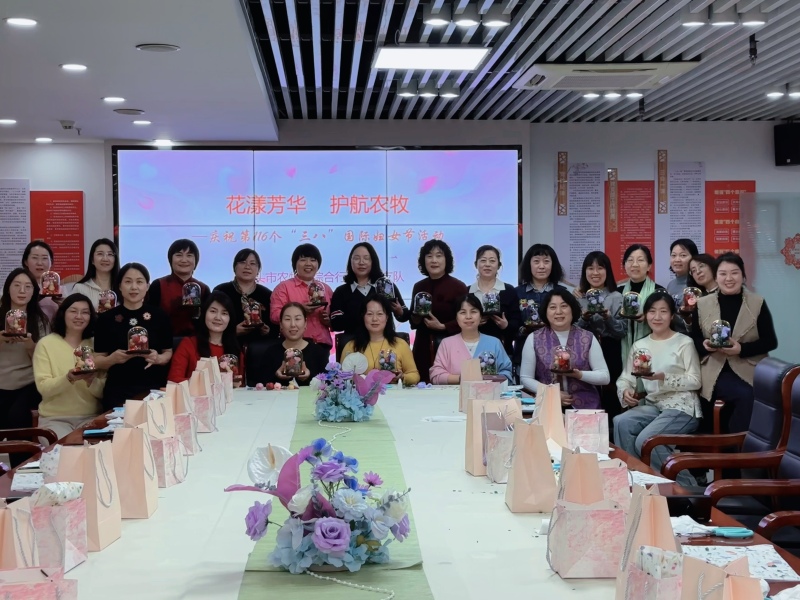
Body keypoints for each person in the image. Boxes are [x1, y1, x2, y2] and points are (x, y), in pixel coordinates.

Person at [615, 291, 702, 486]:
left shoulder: (684, 342)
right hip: (654, 405)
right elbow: (625, 378)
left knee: (647, 441)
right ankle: (637, 482)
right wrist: (626, 390)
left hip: (682, 405)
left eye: (663, 311)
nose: (657, 316)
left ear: (672, 316)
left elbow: (695, 380)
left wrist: (664, 377)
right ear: (645, 315)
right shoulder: (640, 345)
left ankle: (688, 489)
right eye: (652, 311)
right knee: (621, 422)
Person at [690, 253, 778, 433]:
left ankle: (747, 443)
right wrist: (704, 345)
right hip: (714, 368)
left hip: (748, 367)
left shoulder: (757, 303)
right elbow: (694, 339)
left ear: (743, 276)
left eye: (734, 273)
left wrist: (741, 349)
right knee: (746, 395)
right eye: (723, 273)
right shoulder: (702, 304)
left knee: (762, 393)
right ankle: (735, 443)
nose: (729, 278)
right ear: (716, 277)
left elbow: (770, 341)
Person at [94, 263, 173, 409]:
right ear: (120, 286)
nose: (134, 287)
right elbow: (97, 360)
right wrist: (112, 359)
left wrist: (158, 358)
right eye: (128, 281)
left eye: (139, 282)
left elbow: (168, 352)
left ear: (147, 286)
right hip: (117, 389)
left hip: (153, 388)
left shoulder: (160, 316)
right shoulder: (106, 319)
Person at [519, 289, 609, 408]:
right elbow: (525, 378)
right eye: (552, 307)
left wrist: (579, 375)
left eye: (564, 306)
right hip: (548, 404)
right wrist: (550, 392)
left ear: (572, 309)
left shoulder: (588, 337)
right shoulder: (534, 338)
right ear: (545, 311)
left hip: (586, 406)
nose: (558, 312)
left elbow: (604, 377)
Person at [32, 294, 105, 438]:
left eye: (85, 312)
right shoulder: (46, 344)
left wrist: (91, 380)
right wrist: (68, 378)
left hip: (91, 417)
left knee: (92, 448)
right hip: (54, 419)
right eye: (73, 311)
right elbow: (44, 388)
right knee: (66, 447)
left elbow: (104, 390)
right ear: (63, 313)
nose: (79, 316)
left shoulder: (97, 344)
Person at [575, 251, 627, 425]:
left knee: (610, 396)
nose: (595, 273)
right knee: (586, 392)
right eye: (590, 268)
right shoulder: (578, 298)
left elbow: (622, 331)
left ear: (607, 271)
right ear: (585, 272)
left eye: (600, 268)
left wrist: (608, 317)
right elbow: (572, 331)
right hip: (584, 352)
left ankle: (611, 434)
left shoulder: (616, 297)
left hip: (611, 350)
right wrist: (584, 318)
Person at [409, 240, 468, 384]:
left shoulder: (458, 287)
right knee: (422, 385)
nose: (434, 260)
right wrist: (416, 317)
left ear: (446, 260)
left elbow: (466, 319)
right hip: (423, 345)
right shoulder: (419, 286)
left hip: (450, 345)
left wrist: (443, 326)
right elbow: (413, 322)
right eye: (429, 256)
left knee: (449, 384)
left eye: (439, 256)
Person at [0, 269, 50, 435]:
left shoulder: (40, 320)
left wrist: (30, 345)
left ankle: (23, 452)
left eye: (28, 287)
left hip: (29, 383)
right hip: (2, 381)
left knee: (17, 416)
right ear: (8, 289)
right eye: (17, 285)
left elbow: (45, 361)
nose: (22, 291)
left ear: (33, 292)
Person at [330, 243, 409, 345]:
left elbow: (405, 316)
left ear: (373, 261)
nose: (361, 262)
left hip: (385, 344)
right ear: (350, 262)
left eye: (366, 258)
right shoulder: (341, 291)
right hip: (353, 345)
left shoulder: (386, 286)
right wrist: (366, 315)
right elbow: (336, 324)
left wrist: (399, 312)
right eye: (357, 258)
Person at [430, 295, 512, 384]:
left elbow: (506, 374)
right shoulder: (446, 343)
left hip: (489, 392)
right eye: (463, 312)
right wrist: (462, 378)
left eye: (473, 312)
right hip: (455, 392)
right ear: (456, 318)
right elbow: (436, 376)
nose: (468, 316)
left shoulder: (494, 342)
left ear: (480, 316)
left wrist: (487, 380)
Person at [513, 244, 568, 379]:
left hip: (556, 355)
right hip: (523, 353)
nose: (541, 266)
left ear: (553, 265)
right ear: (529, 265)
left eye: (546, 261)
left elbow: (570, 325)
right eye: (536, 261)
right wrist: (523, 330)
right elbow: (512, 325)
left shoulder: (563, 293)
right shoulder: (516, 293)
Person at [341, 296, 420, 386]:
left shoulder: (400, 344)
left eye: (379, 314)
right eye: (369, 314)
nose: (375, 319)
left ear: (387, 317)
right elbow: (342, 378)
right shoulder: (351, 346)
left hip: (393, 394)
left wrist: (402, 377)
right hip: (361, 394)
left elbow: (414, 375)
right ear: (363, 317)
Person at [168, 292, 242, 384]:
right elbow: (173, 380)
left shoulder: (235, 349)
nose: (218, 317)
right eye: (213, 311)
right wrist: (205, 382)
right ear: (203, 313)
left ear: (230, 319)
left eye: (224, 313)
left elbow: (241, 385)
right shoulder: (188, 344)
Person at [270, 244, 333, 350]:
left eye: (313, 260)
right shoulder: (283, 287)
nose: (308, 264)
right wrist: (300, 310)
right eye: (303, 260)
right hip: (293, 345)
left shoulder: (326, 289)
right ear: (295, 264)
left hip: (322, 345)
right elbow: (274, 316)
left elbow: (334, 319)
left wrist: (328, 321)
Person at [618, 244, 671, 366]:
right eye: (630, 260)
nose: (635, 264)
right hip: (620, 349)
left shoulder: (659, 292)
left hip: (654, 347)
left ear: (649, 266)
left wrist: (648, 317)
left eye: (640, 260)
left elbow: (668, 321)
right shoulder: (618, 292)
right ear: (624, 265)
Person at [255, 303, 330, 386]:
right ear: (281, 324)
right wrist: (277, 375)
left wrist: (309, 375)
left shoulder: (318, 351)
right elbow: (259, 385)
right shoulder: (271, 352)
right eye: (287, 319)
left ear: (305, 323)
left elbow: (328, 383)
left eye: (297, 319)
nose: (293, 324)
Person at [148, 239, 211, 337]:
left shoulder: (203, 289)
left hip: (195, 342)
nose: (184, 260)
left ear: (196, 261)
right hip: (164, 341)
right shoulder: (158, 285)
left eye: (189, 255)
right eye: (179, 255)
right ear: (171, 259)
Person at [214, 249, 274, 345]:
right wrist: (233, 331)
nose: (247, 267)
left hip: (260, 347)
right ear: (235, 267)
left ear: (258, 270)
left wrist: (268, 331)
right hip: (227, 345)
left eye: (252, 263)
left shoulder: (267, 294)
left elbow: (275, 326)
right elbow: (212, 321)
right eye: (242, 262)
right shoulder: (221, 291)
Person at [469, 245, 519, 354]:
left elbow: (517, 321)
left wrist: (506, 325)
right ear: (476, 264)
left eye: (492, 261)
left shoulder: (509, 290)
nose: (487, 264)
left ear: (498, 265)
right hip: (472, 350)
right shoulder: (468, 292)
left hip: (503, 349)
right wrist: (474, 323)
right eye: (483, 260)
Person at [71, 238, 120, 310]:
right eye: (100, 254)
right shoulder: (80, 288)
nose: (105, 259)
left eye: (110, 254)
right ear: (92, 260)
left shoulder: (122, 287)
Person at [22, 240, 59, 322]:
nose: (39, 263)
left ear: (51, 262)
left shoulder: (59, 290)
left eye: (44, 258)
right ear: (26, 261)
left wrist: (63, 305)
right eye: (35, 258)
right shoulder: (17, 287)